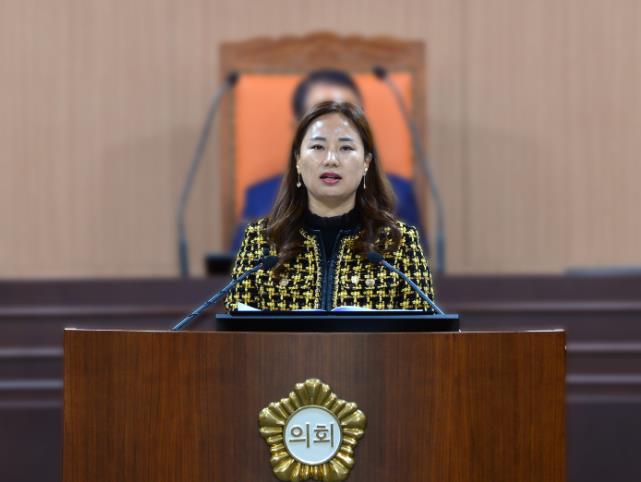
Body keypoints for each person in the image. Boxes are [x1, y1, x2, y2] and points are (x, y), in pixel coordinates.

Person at [224, 101, 434, 312]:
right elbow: (235, 328)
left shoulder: (399, 243)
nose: (331, 160)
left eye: (346, 148)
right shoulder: (261, 240)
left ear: (366, 163)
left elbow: (424, 329)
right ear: (298, 160)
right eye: (318, 147)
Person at [231, 69, 426, 252]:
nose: (331, 159)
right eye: (321, 116)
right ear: (297, 130)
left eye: (348, 115)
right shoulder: (260, 201)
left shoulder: (398, 197)